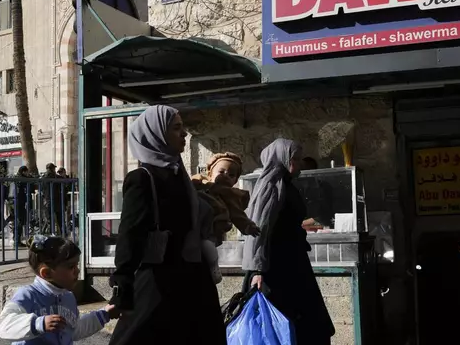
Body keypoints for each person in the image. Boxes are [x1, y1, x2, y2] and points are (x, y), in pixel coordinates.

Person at [108, 105, 225, 345]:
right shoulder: (142, 178)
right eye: (176, 128)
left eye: (183, 128)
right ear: (156, 134)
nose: (184, 134)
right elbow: (131, 234)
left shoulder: (179, 175)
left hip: (192, 278)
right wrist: (123, 286)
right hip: (160, 281)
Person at [243, 138, 335, 345]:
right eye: (295, 158)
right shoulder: (271, 186)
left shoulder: (286, 185)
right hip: (275, 267)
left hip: (292, 262)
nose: (300, 163)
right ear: (283, 159)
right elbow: (259, 229)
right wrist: (257, 270)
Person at [0, 235, 118, 344]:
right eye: (71, 266)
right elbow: (4, 325)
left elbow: (74, 330)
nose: (78, 270)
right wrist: (38, 324)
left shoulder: (68, 297)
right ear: (47, 273)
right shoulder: (28, 295)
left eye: (77, 265)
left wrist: (103, 315)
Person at [192, 152, 261, 283]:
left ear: (235, 181)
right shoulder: (201, 183)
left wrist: (248, 226)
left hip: (212, 227)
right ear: (211, 173)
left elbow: (238, 214)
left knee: (207, 246)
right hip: (195, 224)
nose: (225, 176)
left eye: (231, 175)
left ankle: (214, 268)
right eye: (221, 171)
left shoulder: (230, 195)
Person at [299, 156, 335, 229]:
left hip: (321, 226)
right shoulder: (300, 189)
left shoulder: (324, 187)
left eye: (304, 169)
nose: (300, 172)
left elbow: (327, 213)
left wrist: (304, 223)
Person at [41, 163, 63, 235]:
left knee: (49, 219)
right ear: (52, 169)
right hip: (56, 200)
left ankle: (50, 233)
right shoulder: (56, 177)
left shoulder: (43, 178)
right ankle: (63, 233)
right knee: (59, 219)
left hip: (47, 200)